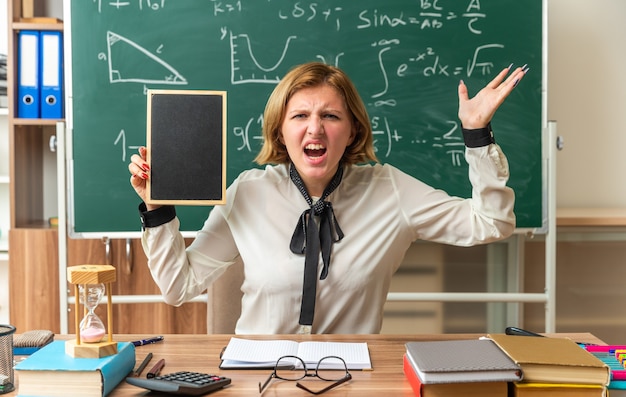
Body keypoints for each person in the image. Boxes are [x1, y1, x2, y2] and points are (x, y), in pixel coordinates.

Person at [129, 61, 527, 334]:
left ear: (353, 130)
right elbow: (178, 286)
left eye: (331, 116)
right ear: (280, 131)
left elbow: (491, 222)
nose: (315, 130)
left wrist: (477, 134)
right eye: (300, 116)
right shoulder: (248, 192)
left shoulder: (390, 190)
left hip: (352, 377)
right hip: (258, 375)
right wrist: (157, 208)